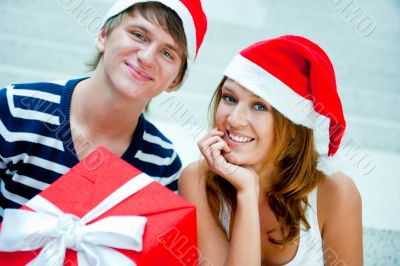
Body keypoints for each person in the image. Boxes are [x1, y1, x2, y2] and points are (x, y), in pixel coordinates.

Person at [0, 0, 207, 221]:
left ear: (175, 80)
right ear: (103, 35)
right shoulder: (15, 110)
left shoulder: (162, 164)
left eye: (168, 53)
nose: (146, 58)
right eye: (138, 35)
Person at [179, 35, 363, 265]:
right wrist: (247, 191)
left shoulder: (336, 193)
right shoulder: (197, 180)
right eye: (229, 98)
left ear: (295, 128)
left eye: (259, 106)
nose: (234, 119)